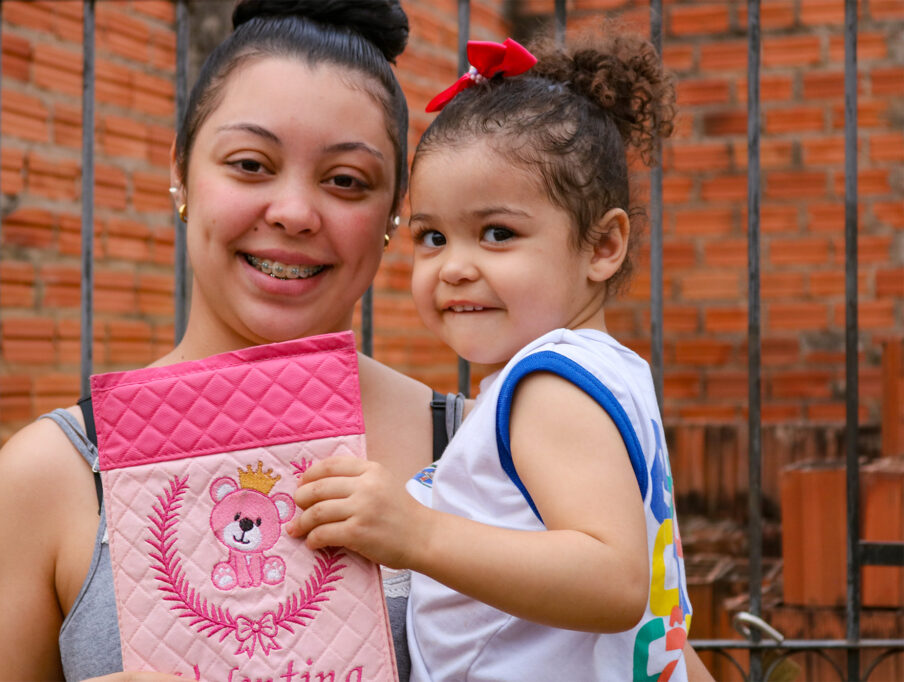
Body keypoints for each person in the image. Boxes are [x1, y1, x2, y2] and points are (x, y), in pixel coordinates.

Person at [0, 2, 453, 680]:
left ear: (394, 212)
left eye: (345, 181)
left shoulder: (479, 452)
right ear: (182, 173)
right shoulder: (49, 480)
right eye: (250, 164)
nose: (295, 212)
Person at [291, 28, 709, 681]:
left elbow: (615, 581)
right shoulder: (599, 374)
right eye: (432, 236)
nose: (454, 267)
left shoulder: (550, 388)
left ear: (603, 246)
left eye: (496, 233)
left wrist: (415, 534)